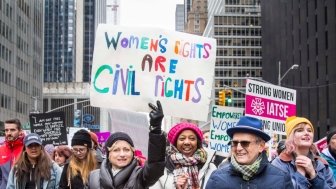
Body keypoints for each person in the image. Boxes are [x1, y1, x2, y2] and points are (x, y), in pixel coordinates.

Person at [88, 100, 166, 188]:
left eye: (126, 149)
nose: (122, 154)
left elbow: (155, 165)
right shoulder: (93, 177)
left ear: (133, 153)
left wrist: (156, 129)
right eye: (116, 150)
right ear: (108, 154)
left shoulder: (140, 176)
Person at [206, 116, 293, 189]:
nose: (238, 148)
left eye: (245, 143)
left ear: (261, 146)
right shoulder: (217, 178)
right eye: (235, 143)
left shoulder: (282, 179)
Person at [272, 116, 336, 188]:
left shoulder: (322, 164)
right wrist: (300, 174)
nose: (306, 133)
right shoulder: (279, 164)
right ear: (291, 136)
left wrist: (314, 176)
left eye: (309, 130)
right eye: (300, 130)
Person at [151, 122, 217, 189]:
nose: (187, 142)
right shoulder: (161, 168)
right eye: (182, 139)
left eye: (192, 139)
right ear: (175, 143)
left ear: (198, 142)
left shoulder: (211, 168)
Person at [0, 119, 24, 189]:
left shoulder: (26, 149)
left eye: (12, 130)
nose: (9, 133)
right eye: (6, 130)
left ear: (20, 131)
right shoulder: (1, 149)